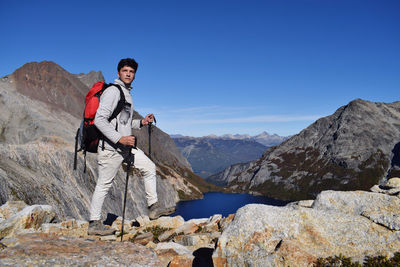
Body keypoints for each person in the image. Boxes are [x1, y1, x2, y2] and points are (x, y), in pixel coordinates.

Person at [87, 58, 171, 236]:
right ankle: (94, 223)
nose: (128, 74)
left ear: (134, 75)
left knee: (149, 167)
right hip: (111, 148)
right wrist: (120, 139)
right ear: (118, 73)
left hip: (124, 147)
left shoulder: (126, 93)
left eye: (131, 72)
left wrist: (141, 122)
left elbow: (123, 122)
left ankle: (153, 207)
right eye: (125, 71)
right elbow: (99, 120)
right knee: (103, 185)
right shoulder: (113, 91)